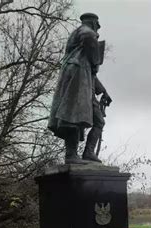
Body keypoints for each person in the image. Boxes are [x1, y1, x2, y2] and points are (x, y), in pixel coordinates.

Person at [48, 13, 112, 164]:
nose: (99, 28)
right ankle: (71, 155)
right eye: (97, 24)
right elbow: (88, 37)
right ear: (92, 23)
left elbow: (90, 72)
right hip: (77, 82)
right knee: (73, 117)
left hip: (86, 86)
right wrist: (96, 59)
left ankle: (88, 153)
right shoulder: (85, 32)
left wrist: (102, 90)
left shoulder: (81, 56)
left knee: (99, 121)